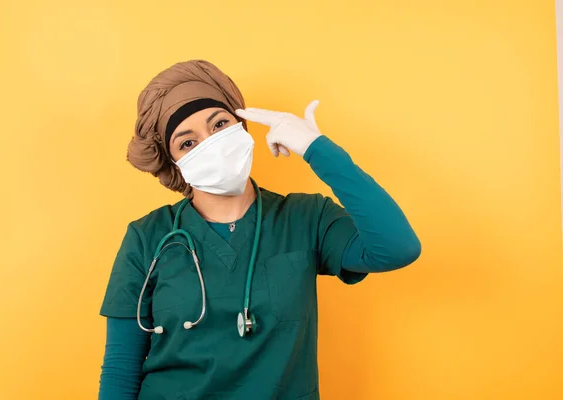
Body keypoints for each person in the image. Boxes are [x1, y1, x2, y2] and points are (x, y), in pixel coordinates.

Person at [98, 60, 421, 400]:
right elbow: (121, 370)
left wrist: (317, 149)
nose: (211, 143)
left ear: (242, 127)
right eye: (187, 143)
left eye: (220, 124)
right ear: (174, 163)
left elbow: (398, 247)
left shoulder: (307, 217)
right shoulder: (148, 237)